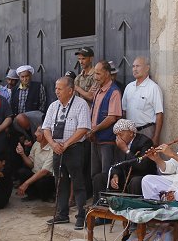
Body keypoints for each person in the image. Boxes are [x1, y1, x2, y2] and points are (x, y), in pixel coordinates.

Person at [42, 76, 91, 230]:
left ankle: (81, 216)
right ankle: (62, 214)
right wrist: (53, 144)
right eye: (56, 88)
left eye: (60, 88)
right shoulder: (53, 106)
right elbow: (46, 128)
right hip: (57, 149)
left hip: (75, 148)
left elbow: (83, 128)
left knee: (78, 183)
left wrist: (67, 144)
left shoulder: (81, 104)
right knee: (60, 182)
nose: (56, 91)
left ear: (70, 90)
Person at [92, 119, 155, 197]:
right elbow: (116, 163)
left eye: (121, 134)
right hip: (124, 178)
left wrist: (126, 150)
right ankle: (99, 206)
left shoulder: (145, 142)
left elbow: (142, 166)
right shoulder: (120, 143)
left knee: (135, 181)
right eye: (116, 135)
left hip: (139, 176)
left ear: (131, 133)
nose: (118, 138)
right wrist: (115, 176)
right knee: (99, 178)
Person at [88, 61, 122, 201]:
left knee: (105, 175)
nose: (95, 77)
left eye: (98, 73)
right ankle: (97, 206)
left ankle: (105, 210)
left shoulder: (114, 92)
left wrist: (95, 128)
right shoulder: (98, 90)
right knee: (95, 174)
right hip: (95, 139)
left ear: (107, 74)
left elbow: (112, 117)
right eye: (95, 73)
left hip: (107, 141)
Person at [121, 56, 164, 144]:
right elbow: (124, 111)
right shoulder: (129, 87)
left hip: (146, 131)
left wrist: (156, 137)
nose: (135, 69)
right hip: (130, 133)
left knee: (145, 157)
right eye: (133, 66)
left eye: (138, 66)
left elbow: (159, 114)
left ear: (147, 68)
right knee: (131, 157)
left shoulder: (153, 88)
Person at [15, 127, 55, 201]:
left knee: (43, 181)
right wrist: (22, 154)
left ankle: (47, 196)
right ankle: (33, 195)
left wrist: (25, 184)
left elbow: (44, 171)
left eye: (38, 131)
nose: (35, 133)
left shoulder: (53, 148)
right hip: (35, 173)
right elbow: (31, 164)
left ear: (45, 135)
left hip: (46, 177)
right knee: (22, 172)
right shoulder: (36, 144)